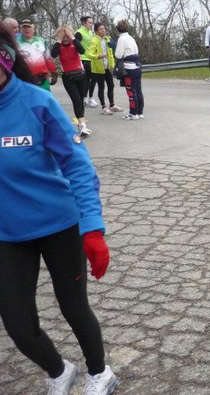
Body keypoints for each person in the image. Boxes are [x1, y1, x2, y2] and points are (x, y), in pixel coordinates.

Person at [0, 24, 118, 395]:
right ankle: (59, 371)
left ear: (5, 61)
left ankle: (100, 373)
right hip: (8, 234)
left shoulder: (37, 102)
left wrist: (92, 227)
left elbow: (77, 165)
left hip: (59, 225)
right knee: (17, 323)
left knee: (73, 307)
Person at [50, 25, 92, 137]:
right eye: (63, 36)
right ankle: (82, 125)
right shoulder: (58, 45)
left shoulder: (75, 42)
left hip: (81, 75)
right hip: (68, 77)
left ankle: (81, 123)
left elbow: (82, 51)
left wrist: (72, 37)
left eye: (67, 36)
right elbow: (53, 54)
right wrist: (59, 40)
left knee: (80, 100)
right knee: (76, 100)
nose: (65, 38)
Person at [90, 22, 123, 115]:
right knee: (101, 87)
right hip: (98, 68)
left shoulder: (107, 39)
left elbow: (110, 54)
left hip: (107, 67)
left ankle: (112, 105)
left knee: (111, 85)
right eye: (101, 29)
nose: (103, 30)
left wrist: (112, 64)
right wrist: (98, 56)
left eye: (104, 29)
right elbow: (89, 54)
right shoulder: (93, 41)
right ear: (96, 31)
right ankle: (104, 107)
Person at [115, 19, 144, 120]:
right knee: (138, 90)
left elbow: (119, 55)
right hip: (137, 67)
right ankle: (139, 112)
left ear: (118, 29)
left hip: (129, 68)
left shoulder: (121, 39)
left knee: (131, 91)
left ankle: (133, 113)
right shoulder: (131, 38)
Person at [17, 18, 58, 91]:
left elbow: (48, 58)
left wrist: (53, 72)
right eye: (24, 27)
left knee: (45, 97)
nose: (26, 29)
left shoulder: (41, 41)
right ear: (21, 29)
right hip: (25, 78)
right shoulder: (16, 43)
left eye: (29, 27)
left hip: (42, 78)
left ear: (33, 28)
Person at [74, 16, 99, 108]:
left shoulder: (91, 33)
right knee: (86, 80)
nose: (91, 24)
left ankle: (90, 97)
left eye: (92, 23)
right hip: (83, 59)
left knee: (94, 78)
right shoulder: (79, 33)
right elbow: (75, 46)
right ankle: (85, 98)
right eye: (89, 23)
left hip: (92, 59)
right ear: (84, 23)